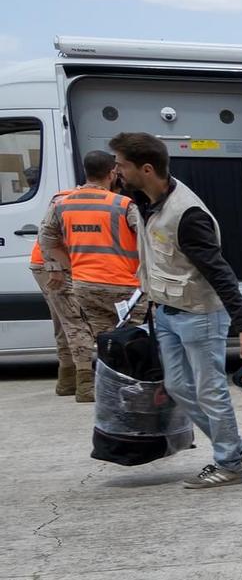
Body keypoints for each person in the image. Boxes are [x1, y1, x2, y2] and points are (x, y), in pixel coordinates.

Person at [111, 131, 242, 489]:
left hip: (199, 315)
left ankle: (229, 463)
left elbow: (220, 271)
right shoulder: (144, 199)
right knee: (178, 386)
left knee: (210, 391)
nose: (116, 171)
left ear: (146, 169)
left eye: (121, 165)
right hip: (166, 311)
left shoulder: (188, 215)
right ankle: (235, 449)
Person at [39, 153, 142, 405]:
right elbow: (147, 239)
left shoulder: (62, 204)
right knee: (137, 338)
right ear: (111, 174)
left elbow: (46, 240)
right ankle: (137, 388)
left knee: (103, 339)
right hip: (125, 286)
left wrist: (69, 265)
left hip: (85, 285)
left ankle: (110, 389)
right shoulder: (122, 204)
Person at [28, 237, 80, 398]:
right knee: (70, 320)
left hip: (64, 261)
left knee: (67, 320)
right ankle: (74, 379)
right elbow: (48, 235)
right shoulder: (61, 211)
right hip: (54, 263)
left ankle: (70, 379)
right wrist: (54, 267)